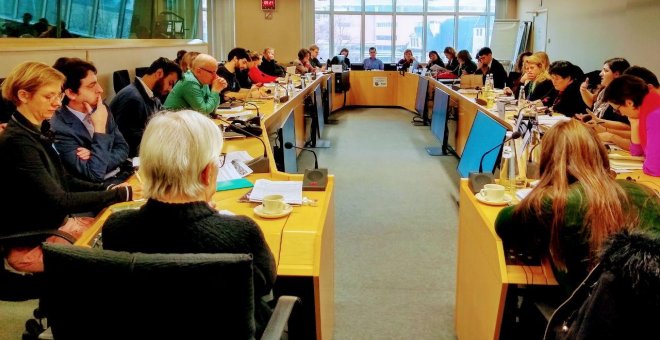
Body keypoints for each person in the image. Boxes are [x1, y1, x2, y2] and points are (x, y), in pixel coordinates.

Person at [101, 109, 276, 336]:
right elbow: (265, 284)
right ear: (207, 173)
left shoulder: (116, 227)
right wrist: (214, 219)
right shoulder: (240, 231)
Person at [495, 119, 660, 297]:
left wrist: (540, 191)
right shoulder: (646, 192)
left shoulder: (555, 201)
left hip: (588, 313)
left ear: (549, 159)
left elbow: (503, 224)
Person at [0, 61, 133, 273]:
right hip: (34, 235)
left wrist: (108, 190)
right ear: (24, 96)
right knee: (115, 258)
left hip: (52, 223)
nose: (56, 103)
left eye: (58, 96)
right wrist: (118, 195)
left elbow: (64, 178)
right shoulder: (19, 141)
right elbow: (59, 200)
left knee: (120, 231)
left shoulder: (33, 130)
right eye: (48, 96)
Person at [50, 57, 130, 185]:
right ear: (71, 93)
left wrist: (95, 156)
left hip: (124, 174)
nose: (100, 90)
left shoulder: (101, 108)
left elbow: (123, 148)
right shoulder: (58, 127)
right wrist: (99, 128)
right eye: (91, 85)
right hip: (100, 189)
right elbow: (94, 174)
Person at [110, 57, 182, 158]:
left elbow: (163, 120)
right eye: (170, 83)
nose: (170, 89)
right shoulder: (133, 98)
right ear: (159, 73)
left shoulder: (152, 96)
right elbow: (129, 141)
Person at [604, 75, 660, 176]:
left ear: (629, 103)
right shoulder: (648, 110)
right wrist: (634, 123)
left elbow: (654, 168)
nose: (621, 114)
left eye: (617, 109)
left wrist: (647, 161)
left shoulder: (655, 115)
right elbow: (636, 151)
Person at [163, 53, 228, 115]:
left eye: (215, 72)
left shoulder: (203, 80)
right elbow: (204, 112)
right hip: (170, 122)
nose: (215, 76)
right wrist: (215, 90)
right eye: (212, 72)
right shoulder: (189, 81)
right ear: (198, 71)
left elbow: (212, 111)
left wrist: (217, 90)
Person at [579, 57, 630, 123]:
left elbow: (626, 125)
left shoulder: (622, 95)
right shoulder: (605, 89)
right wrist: (583, 90)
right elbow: (593, 104)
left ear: (617, 74)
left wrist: (599, 122)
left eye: (605, 71)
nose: (600, 74)